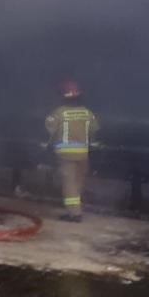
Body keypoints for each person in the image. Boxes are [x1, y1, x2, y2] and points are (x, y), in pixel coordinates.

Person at [45, 80, 99, 222]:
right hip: (83, 154)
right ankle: (76, 209)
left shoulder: (59, 113)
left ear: (62, 96)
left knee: (69, 184)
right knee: (78, 183)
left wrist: (44, 145)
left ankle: (74, 214)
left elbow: (49, 131)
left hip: (65, 155)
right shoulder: (88, 113)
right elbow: (94, 130)